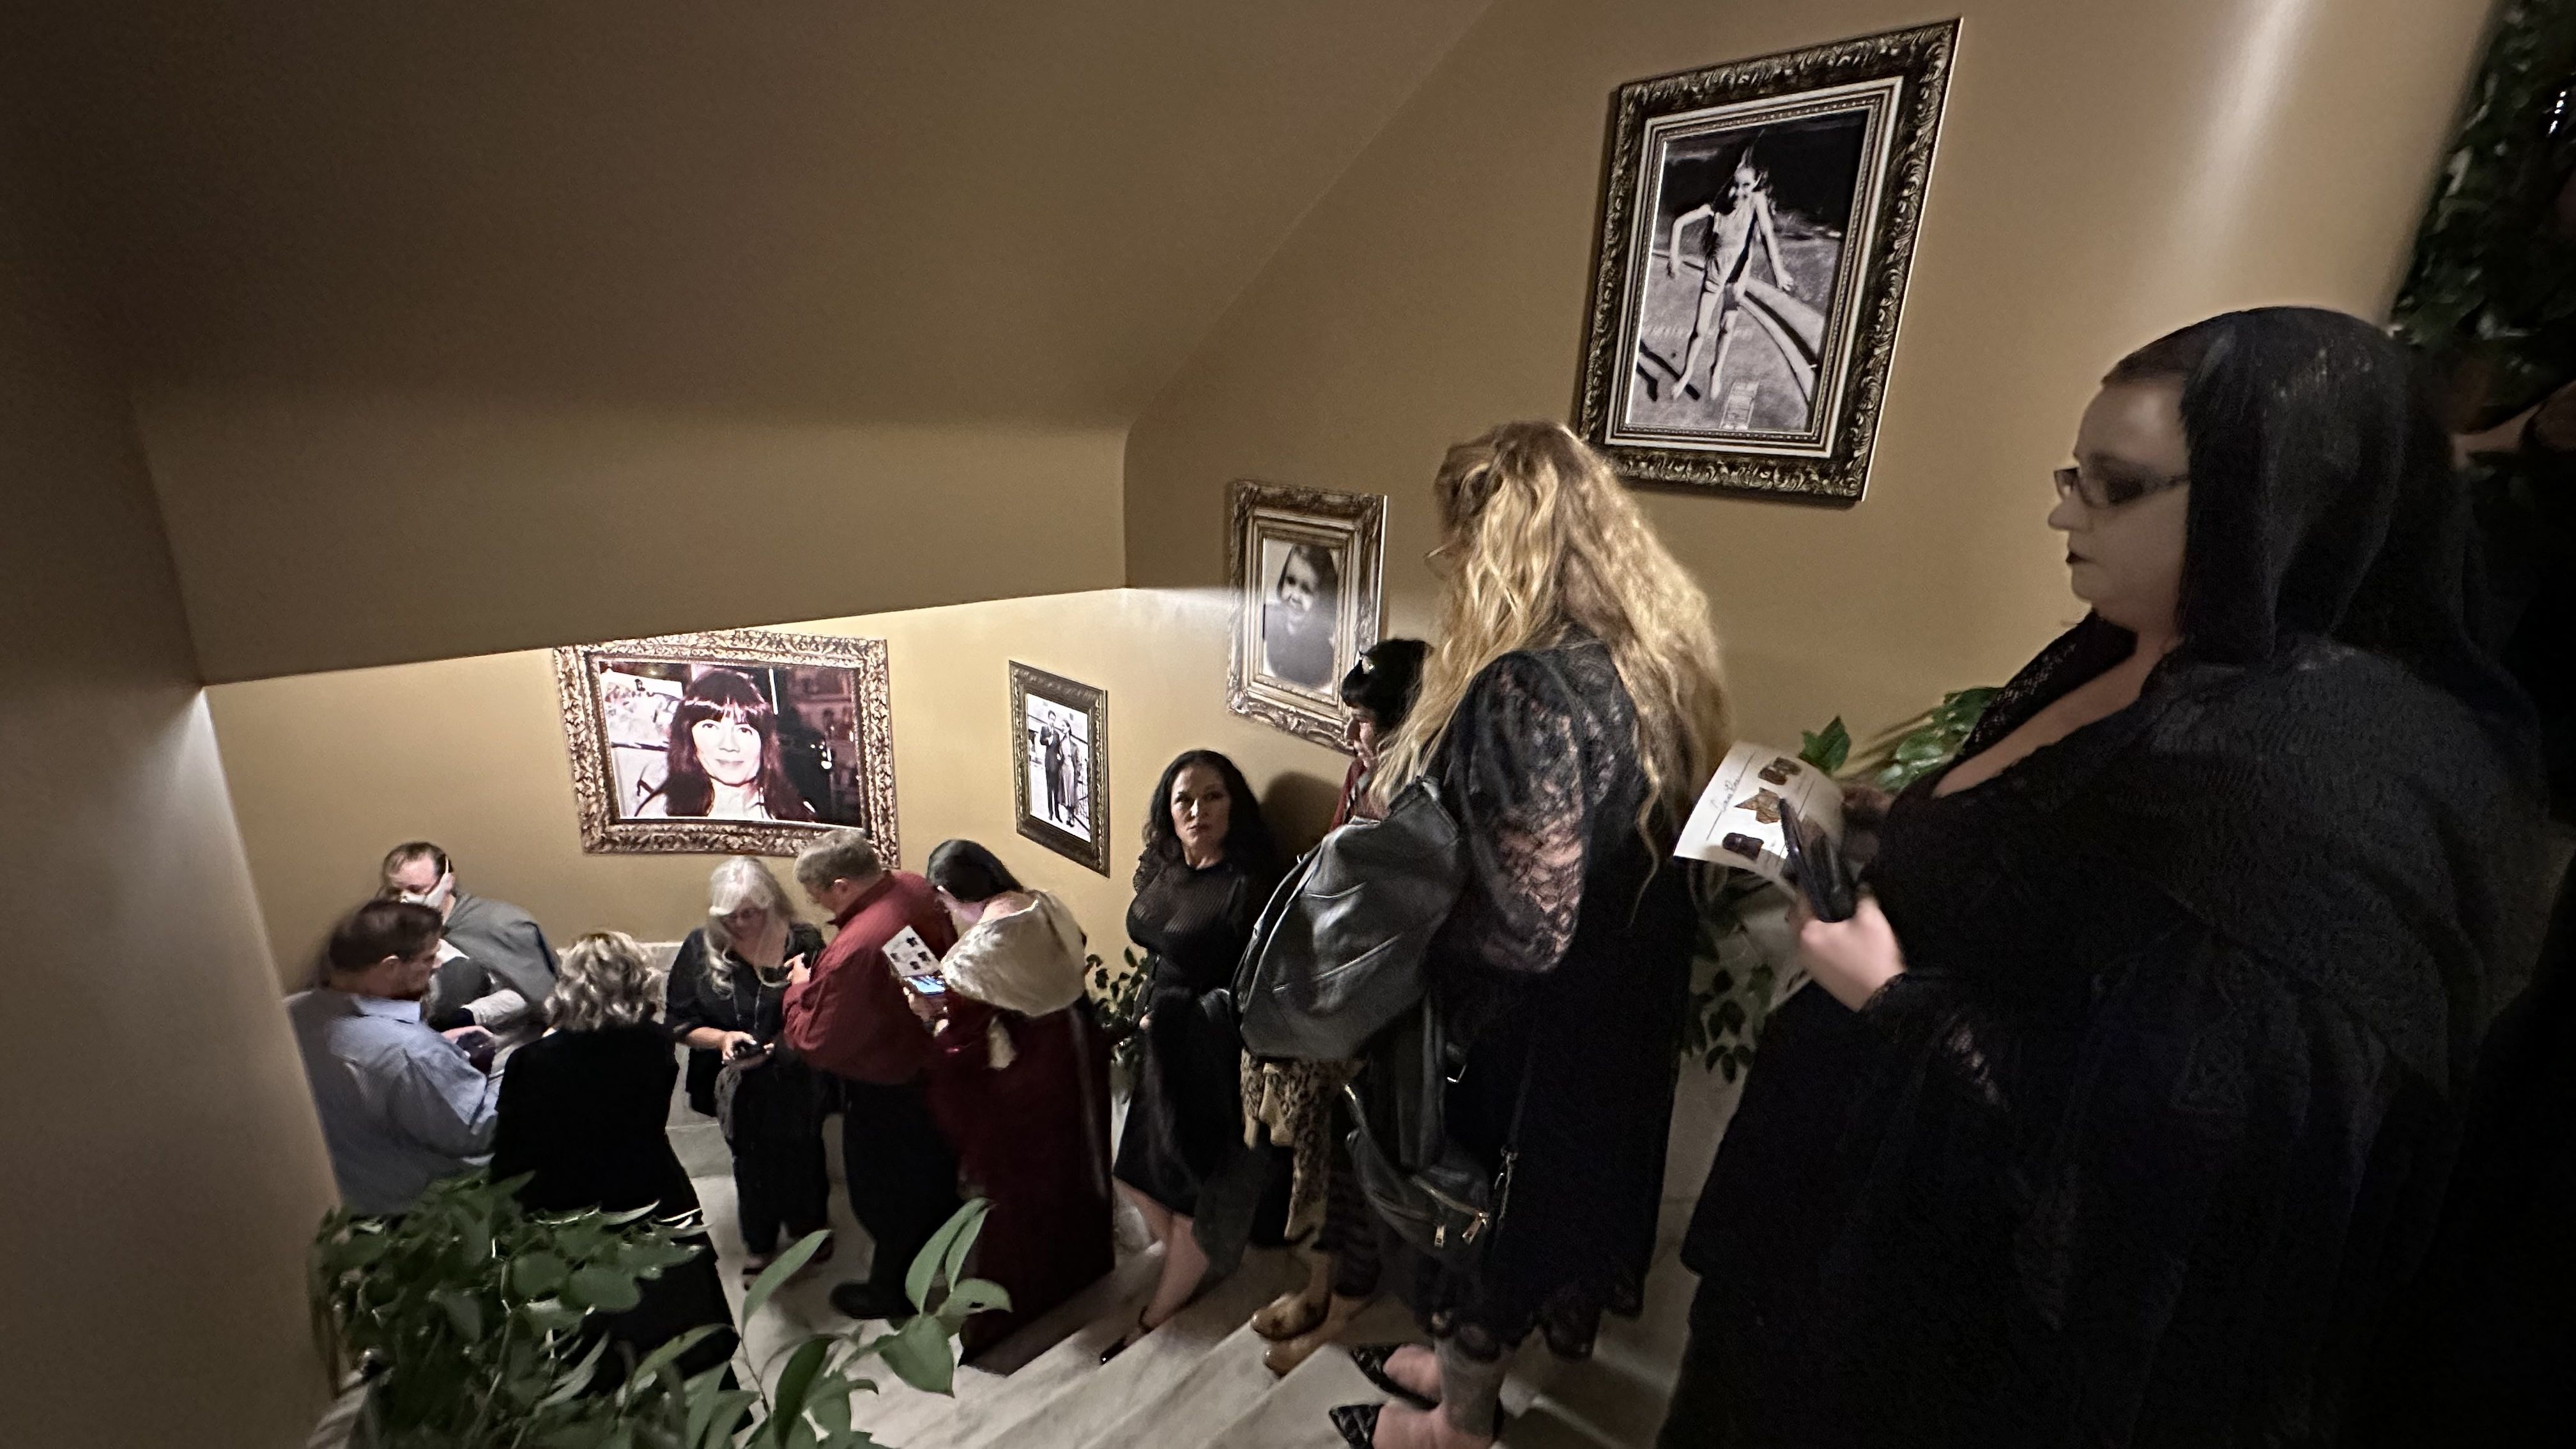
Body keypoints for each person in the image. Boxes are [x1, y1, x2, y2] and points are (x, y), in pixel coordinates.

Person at [1658, 310, 2547, 1448]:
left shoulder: (2299, 788)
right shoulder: (2135, 646)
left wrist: (1892, 1001)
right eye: (2073, 474)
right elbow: (2059, 861)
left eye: (2113, 485)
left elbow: (2175, 1193)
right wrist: (1886, 825)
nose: (2060, 511)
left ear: (2272, 498)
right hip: (1829, 1242)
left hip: (1941, 1352)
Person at [1328, 422, 1729, 1449]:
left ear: (1497, 542)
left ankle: (1459, 1427)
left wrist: (1405, 912)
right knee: (1547, 1219)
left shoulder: (1525, 685)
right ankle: (1468, 1369)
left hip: (1527, 1043)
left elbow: (1527, 928)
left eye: (1460, 539)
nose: (1453, 563)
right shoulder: (1657, 661)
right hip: (1619, 1019)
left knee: (1480, 1228)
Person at [1248, 636, 1431, 1377]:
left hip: (1393, 1009)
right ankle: (1317, 1281)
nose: (1355, 735)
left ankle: (1348, 1303)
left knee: (1361, 1160)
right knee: (1318, 1146)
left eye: (1369, 720)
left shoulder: (1427, 796)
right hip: (1339, 991)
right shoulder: (1363, 775)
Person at [491, 931, 739, 1390]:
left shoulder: (534, 1061)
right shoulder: (654, 1045)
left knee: (598, 1328)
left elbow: (514, 1150)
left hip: (575, 1202)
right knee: (678, 1312)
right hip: (652, 1186)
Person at [1104, 749, 1286, 1361]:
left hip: (1208, 1051)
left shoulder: (1246, 885)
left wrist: (1183, 1018)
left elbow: (1258, 987)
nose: (1197, 811)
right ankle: (1195, 1255)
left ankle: (1157, 1316)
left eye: (1213, 797)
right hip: (1161, 1039)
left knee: (1186, 1188)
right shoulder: (1166, 864)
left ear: (1234, 805)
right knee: (1133, 1172)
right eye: (1185, 799)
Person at [916, 838, 1116, 1361]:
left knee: (1023, 1186)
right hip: (1076, 1041)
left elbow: (957, 1036)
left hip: (1029, 1073)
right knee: (1077, 1161)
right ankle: (1085, 1266)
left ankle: (1019, 1302)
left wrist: (930, 1014)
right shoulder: (1043, 903)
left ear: (947, 893)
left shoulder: (974, 954)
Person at [780, 827, 965, 1322]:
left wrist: (799, 990)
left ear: (842, 886)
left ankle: (893, 1292)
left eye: (816, 892)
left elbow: (818, 1043)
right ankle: (943, 1253)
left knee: (884, 1196)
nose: (814, 903)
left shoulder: (858, 945)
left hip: (884, 1089)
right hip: (931, 1061)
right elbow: (926, 973)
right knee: (932, 1177)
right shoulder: (911, 888)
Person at [664, 857, 831, 1278]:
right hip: (734, 1080)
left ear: (770, 903)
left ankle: (809, 1229)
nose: (739, 924)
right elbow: (679, 1021)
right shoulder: (700, 947)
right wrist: (722, 1040)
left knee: (804, 1152)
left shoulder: (802, 941)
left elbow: (826, 1009)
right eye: (730, 916)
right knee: (749, 1160)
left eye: (750, 914)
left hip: (795, 1070)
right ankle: (759, 1241)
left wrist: (778, 1046)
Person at [287, 900, 507, 1216]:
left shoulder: (289, 1015)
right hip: (415, 1215)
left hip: (341, 1203)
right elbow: (479, 1132)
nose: (438, 965)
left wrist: (442, 1057)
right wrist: (519, 1070)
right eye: (429, 958)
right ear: (390, 967)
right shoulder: (411, 1052)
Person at [381, 841, 558, 1050]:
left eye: (416, 890)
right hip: (427, 1047)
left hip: (501, 1053)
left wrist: (470, 1015)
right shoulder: (388, 927)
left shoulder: (502, 924)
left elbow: (534, 992)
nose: (405, 900)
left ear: (447, 881)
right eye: (396, 891)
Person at [1665, 151, 1794, 408]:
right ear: (1728, 183)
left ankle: (1717, 371)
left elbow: (1768, 236)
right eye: (1734, 185)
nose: (1738, 192)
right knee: (1700, 330)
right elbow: (1679, 223)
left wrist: (1777, 271)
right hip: (1715, 275)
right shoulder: (1715, 207)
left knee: (1727, 327)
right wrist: (1673, 257)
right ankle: (1686, 373)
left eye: (1746, 185)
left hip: (1737, 279)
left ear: (1756, 184)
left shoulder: (1757, 201)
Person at [635, 668, 819, 822]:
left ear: (764, 744)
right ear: (688, 739)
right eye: (711, 727)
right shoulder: (661, 814)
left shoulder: (799, 814)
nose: (729, 745)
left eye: (744, 730)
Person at [1264, 543, 1342, 689]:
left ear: (1322, 601)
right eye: (1290, 581)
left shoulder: (1326, 660)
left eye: (1306, 589)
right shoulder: (1266, 621)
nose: (1294, 596)